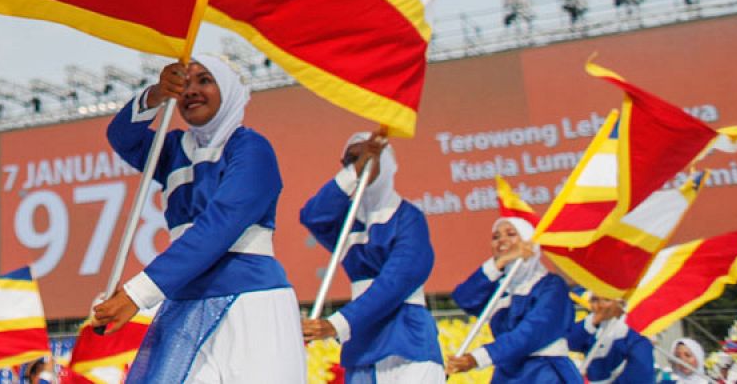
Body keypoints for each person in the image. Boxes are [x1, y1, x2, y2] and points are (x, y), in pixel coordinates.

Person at [91, 56, 308, 383]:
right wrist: (156, 94)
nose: (191, 91)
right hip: (187, 305)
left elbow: (220, 225)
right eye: (185, 83)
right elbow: (122, 136)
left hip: (250, 304)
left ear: (229, 90)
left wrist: (138, 293)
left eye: (204, 80)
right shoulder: (174, 148)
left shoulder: (250, 147)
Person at [298, 133, 445, 383]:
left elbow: (397, 282)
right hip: (363, 348)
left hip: (408, 344)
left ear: (386, 162)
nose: (360, 163)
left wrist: (337, 324)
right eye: (350, 160)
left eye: (368, 158)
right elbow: (313, 215)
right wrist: (353, 172)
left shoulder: (408, 218)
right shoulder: (347, 224)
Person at [446, 215, 579, 382]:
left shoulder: (551, 286)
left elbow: (529, 334)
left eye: (511, 234)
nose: (502, 240)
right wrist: (498, 263)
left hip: (544, 372)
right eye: (496, 237)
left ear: (529, 242)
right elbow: (464, 298)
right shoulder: (500, 289)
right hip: (507, 374)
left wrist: (477, 358)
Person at [564, 294, 654, 384]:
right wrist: (593, 322)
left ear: (621, 305)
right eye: (594, 300)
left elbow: (639, 378)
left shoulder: (636, 337)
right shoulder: (592, 325)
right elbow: (569, 343)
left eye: (607, 300)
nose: (600, 305)